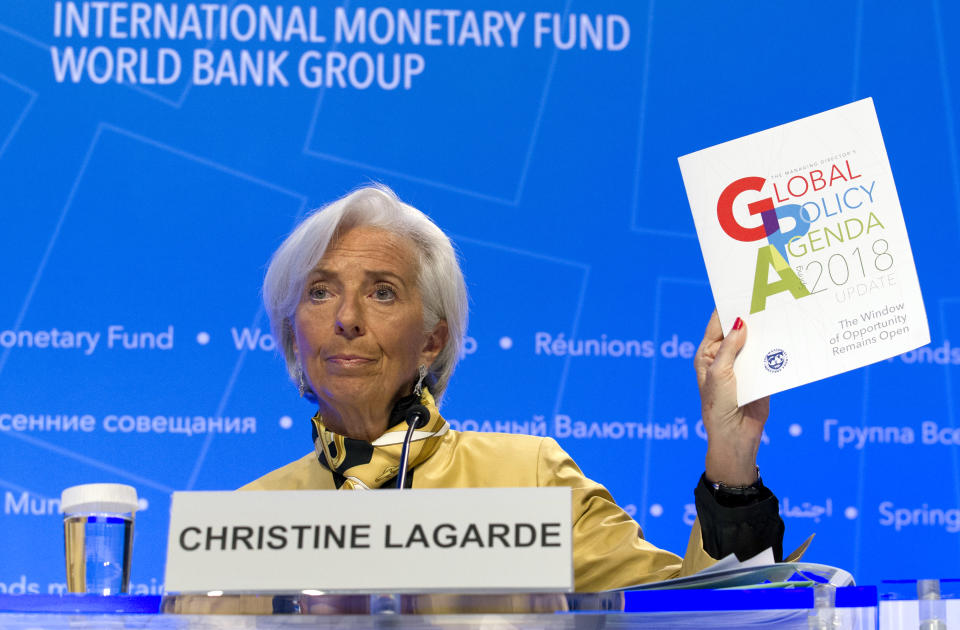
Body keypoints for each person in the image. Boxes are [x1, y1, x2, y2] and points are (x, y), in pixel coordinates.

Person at [243, 184, 785, 592]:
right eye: (319, 292)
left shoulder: (530, 482)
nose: (346, 318)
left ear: (433, 341)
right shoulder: (245, 522)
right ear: (293, 334)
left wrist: (730, 460)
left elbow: (691, 620)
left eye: (382, 292)